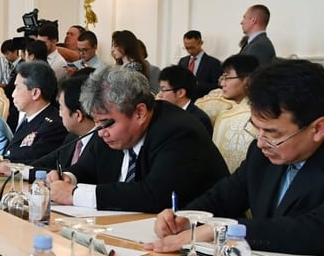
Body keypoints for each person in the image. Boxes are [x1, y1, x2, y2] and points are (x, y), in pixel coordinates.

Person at [148, 59, 324, 256]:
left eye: (272, 133)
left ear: (318, 128)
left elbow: (321, 231)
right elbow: (223, 197)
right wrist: (185, 218)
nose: (260, 142)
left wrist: (224, 229)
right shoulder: (264, 152)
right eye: (256, 128)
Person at [47, 65, 228, 212]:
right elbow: (88, 167)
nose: (100, 132)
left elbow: (155, 195)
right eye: (96, 122)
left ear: (139, 112)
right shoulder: (109, 132)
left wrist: (76, 195)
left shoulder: (178, 132)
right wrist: (69, 178)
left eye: (106, 123)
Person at [0, 61, 65, 166]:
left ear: (35, 93)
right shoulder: (29, 118)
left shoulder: (53, 126)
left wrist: (6, 163)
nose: (13, 94)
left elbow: (34, 162)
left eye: (17, 88)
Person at [212, 54, 261, 172]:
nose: (222, 84)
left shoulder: (228, 118)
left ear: (247, 80)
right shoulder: (228, 113)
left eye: (227, 78)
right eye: (222, 78)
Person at [156, 66, 213, 134]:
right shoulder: (161, 113)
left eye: (163, 90)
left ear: (180, 93)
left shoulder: (199, 120)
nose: (159, 95)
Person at [177, 30, 222, 99]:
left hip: (203, 100)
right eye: (186, 48)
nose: (189, 51)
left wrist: (198, 84)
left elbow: (218, 86)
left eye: (192, 47)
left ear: (201, 43)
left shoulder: (213, 63)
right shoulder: (182, 61)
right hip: (184, 100)